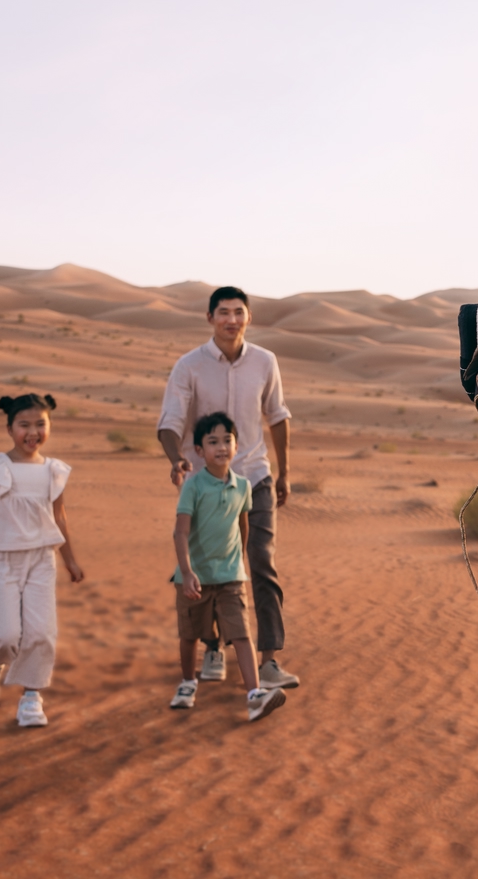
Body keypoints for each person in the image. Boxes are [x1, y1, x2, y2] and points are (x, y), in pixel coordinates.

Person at [157, 285, 298, 691]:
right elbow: (170, 420)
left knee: (261, 561)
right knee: (211, 567)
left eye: (239, 312)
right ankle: (213, 646)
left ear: (248, 318)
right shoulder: (189, 366)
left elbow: (277, 416)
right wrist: (175, 460)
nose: (231, 320)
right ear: (210, 318)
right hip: (206, 484)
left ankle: (269, 659)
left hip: (254, 476)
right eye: (223, 312)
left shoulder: (265, 362)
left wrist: (284, 472)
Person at [0, 393, 85, 728]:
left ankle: (31, 698)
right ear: (9, 428)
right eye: (24, 425)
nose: (33, 432)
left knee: (41, 632)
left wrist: (70, 559)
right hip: (2, 559)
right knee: (6, 636)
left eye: (41, 424)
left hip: (42, 559)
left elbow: (60, 518)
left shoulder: (53, 471)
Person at [169, 412, 287, 721]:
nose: (221, 447)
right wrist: (188, 571)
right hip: (194, 577)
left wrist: (239, 561)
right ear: (199, 451)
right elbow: (180, 531)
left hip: (230, 575)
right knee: (190, 635)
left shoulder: (244, 486)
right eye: (212, 442)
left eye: (227, 441)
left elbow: (242, 526)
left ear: (236, 446)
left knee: (241, 633)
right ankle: (187, 682)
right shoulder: (193, 487)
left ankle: (254, 694)